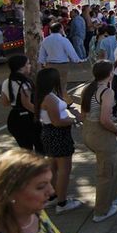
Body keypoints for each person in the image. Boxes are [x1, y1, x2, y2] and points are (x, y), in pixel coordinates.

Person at [80, 60, 117, 223]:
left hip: (89, 131)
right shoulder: (106, 92)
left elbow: (84, 114)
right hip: (101, 135)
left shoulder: (88, 88)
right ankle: (101, 211)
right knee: (106, 172)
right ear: (110, 74)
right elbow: (105, 120)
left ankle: (114, 196)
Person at [35, 67, 82, 214]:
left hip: (50, 133)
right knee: (64, 170)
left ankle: (54, 196)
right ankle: (62, 203)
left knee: (54, 167)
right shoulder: (49, 98)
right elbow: (57, 121)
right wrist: (74, 120)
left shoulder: (45, 95)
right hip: (57, 134)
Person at [0, 55, 43, 153]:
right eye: (28, 64)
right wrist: (42, 114)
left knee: (25, 150)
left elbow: (5, 103)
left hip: (14, 119)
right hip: (29, 120)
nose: (30, 66)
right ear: (21, 67)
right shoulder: (24, 84)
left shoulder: (6, 82)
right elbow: (27, 104)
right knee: (40, 148)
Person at [38, 22, 82, 101]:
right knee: (62, 85)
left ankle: (52, 101)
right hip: (62, 65)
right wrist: (77, 60)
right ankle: (64, 101)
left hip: (49, 65)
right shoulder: (64, 40)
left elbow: (42, 54)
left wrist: (42, 63)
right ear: (61, 29)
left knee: (51, 85)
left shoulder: (45, 40)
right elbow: (71, 52)